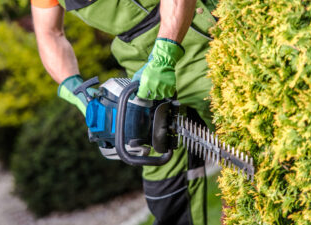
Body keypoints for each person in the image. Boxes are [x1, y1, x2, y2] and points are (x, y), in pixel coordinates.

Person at [31, 0, 218, 224]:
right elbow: (49, 34)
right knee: (165, 191)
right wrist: (77, 91)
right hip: (137, 59)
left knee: (248, 148)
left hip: (194, 34)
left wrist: (164, 56)